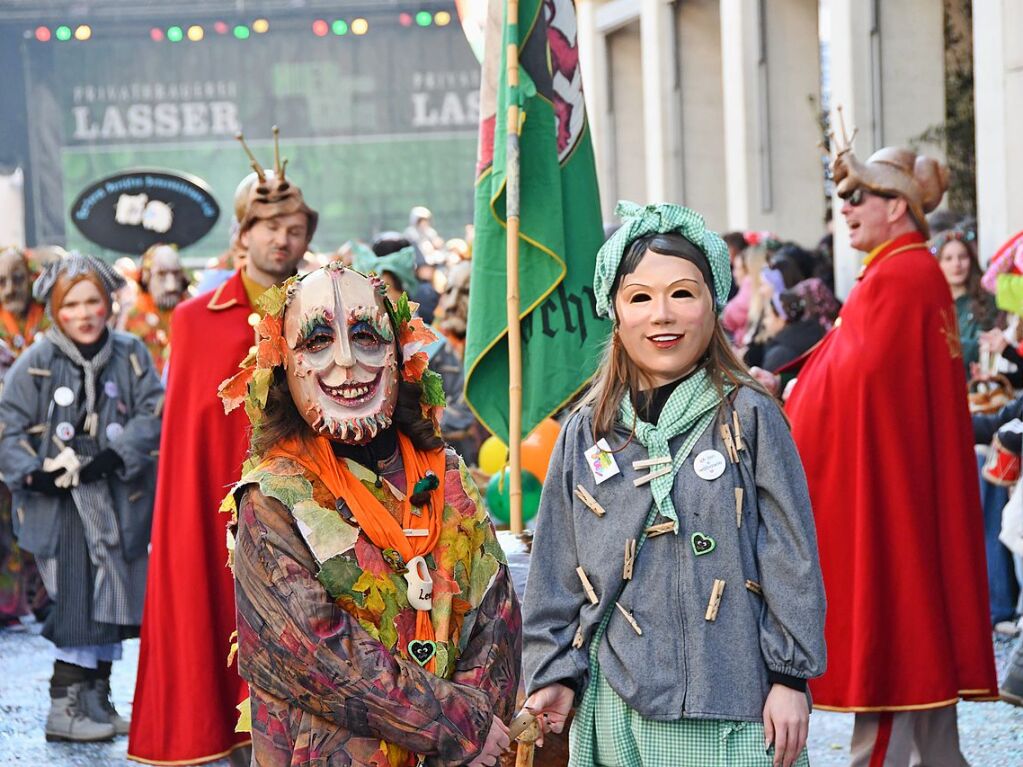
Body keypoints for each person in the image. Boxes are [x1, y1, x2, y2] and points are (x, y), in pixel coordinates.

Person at [522, 201, 826, 767]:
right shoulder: (586, 433)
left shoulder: (752, 416)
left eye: (682, 293)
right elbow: (556, 566)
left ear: (713, 304)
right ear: (613, 309)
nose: (661, 314)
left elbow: (790, 551)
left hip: (738, 701)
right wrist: (553, 671)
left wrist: (790, 676)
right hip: (618, 705)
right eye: (640, 297)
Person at [217, 262, 520, 765]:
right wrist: (461, 726)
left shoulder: (445, 472)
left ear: (398, 354)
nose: (346, 361)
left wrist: (472, 740)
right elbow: (320, 656)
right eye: (316, 342)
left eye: (366, 336)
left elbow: (497, 616)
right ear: (281, 365)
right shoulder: (272, 499)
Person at [785, 138, 998, 765]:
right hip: (908, 495)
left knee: (895, 695)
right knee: (930, 727)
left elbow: (852, 386)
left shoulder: (900, 274)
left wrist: (791, 395)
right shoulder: (902, 270)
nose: (845, 209)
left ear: (898, 205)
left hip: (893, 505)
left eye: (858, 196)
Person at [128, 131, 319, 766]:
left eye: (292, 225)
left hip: (311, 516)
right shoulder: (194, 319)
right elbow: (190, 450)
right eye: (266, 225)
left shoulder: (326, 311)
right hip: (221, 521)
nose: (280, 239)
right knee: (219, 646)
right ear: (243, 234)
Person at [0, 252, 163, 741]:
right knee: (76, 599)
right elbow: (7, 428)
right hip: (62, 507)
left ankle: (96, 699)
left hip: (117, 499)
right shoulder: (36, 362)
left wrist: (117, 454)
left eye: (94, 301)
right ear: (55, 309)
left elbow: (154, 410)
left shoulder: (130, 352)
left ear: (109, 303)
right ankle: (63, 708)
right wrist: (33, 474)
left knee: (112, 600)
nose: (85, 313)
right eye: (72, 304)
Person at [0, 246, 51, 629]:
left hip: (44, 436)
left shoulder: (46, 320)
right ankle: (7, 603)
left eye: (16, 278)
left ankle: (41, 598)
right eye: (1, 281)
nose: (9, 288)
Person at [932, 228, 996, 374]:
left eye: (962, 257)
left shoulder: (986, 300)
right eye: (948, 259)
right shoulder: (932, 304)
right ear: (938, 264)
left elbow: (983, 347)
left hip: (977, 388)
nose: (957, 264)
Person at [120, 243, 189, 376]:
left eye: (176, 274)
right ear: (147, 276)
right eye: (161, 275)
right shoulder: (134, 317)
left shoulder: (195, 315)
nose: (171, 286)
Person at [760, 290, 825, 374]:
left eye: (767, 316)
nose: (764, 322)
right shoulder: (815, 335)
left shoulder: (778, 354)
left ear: (782, 318)